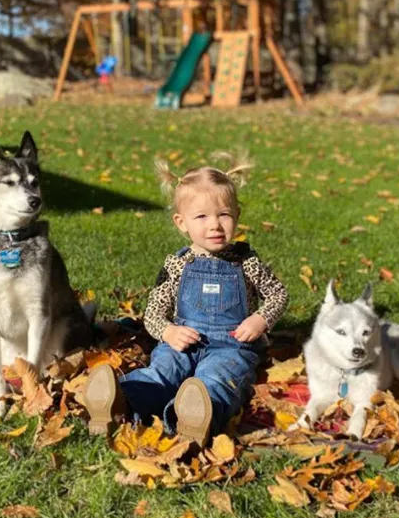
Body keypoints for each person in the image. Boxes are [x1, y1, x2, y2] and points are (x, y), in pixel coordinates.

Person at [83, 155, 288, 446]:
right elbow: (153, 312)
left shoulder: (247, 262)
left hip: (231, 346)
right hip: (183, 342)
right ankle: (120, 403)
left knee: (218, 378)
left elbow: (278, 293)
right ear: (182, 223)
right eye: (202, 217)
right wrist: (168, 332)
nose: (215, 225)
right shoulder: (178, 265)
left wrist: (261, 318)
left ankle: (195, 419)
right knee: (162, 371)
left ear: (237, 215)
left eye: (224, 215)